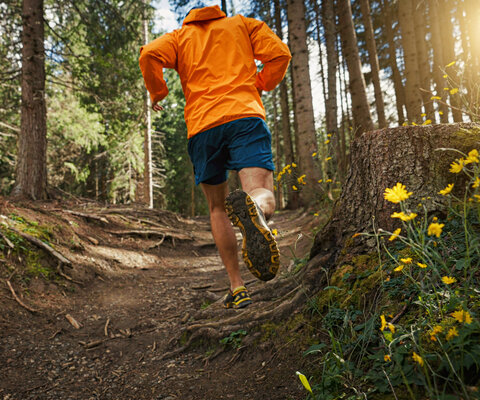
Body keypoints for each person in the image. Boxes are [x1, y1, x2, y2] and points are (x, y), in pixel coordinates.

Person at [139, 4, 291, 309]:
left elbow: (148, 54)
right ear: (217, 13)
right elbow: (280, 54)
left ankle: (237, 286)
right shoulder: (243, 25)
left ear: (190, 17)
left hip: (203, 127)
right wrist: (262, 83)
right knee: (261, 193)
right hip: (244, 115)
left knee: (218, 208)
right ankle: (257, 209)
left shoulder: (181, 37)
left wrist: (158, 91)